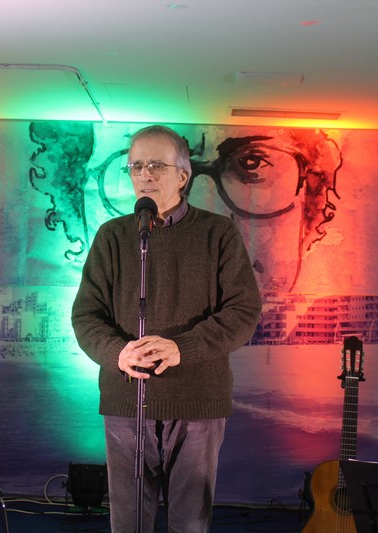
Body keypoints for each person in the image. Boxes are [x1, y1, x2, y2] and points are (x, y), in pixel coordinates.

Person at [71, 124, 262, 532]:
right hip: (127, 402)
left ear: (183, 175)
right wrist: (117, 352)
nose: (145, 175)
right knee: (129, 523)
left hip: (197, 402)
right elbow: (86, 315)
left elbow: (244, 312)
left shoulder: (218, 233)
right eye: (135, 166)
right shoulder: (112, 236)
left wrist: (182, 348)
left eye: (157, 165)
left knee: (189, 523)